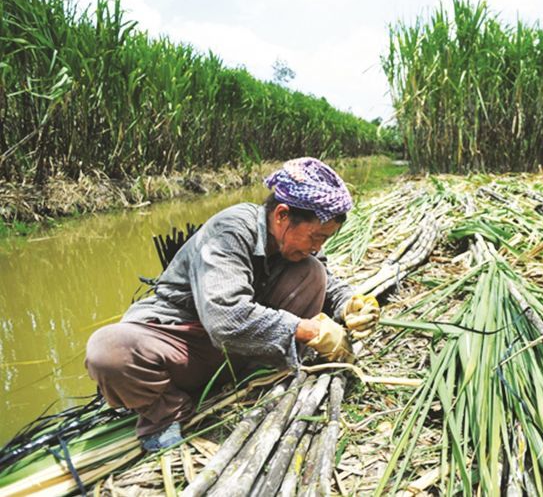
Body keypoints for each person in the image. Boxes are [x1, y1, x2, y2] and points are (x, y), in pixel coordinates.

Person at [84, 158, 380, 451]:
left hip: (246, 348)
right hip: (189, 342)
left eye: (324, 239)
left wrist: (348, 304)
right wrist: (306, 330)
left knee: (312, 270)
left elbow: (325, 276)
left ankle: (262, 375)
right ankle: (166, 413)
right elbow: (225, 320)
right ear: (282, 215)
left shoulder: (295, 246)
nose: (318, 246)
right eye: (315, 236)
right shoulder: (230, 231)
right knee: (108, 351)